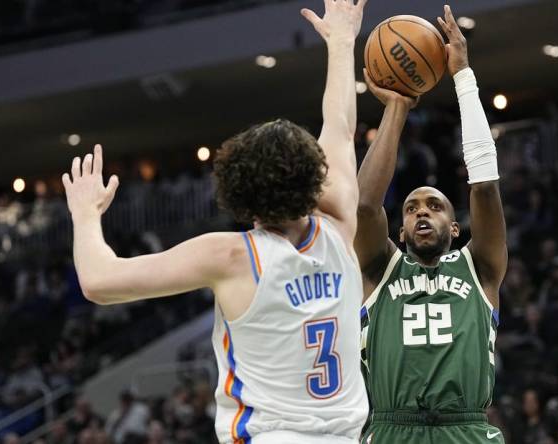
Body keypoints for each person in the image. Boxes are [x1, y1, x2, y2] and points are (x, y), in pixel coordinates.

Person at [60, 0, 369, 442]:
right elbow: (339, 126)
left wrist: (85, 216)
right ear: (314, 177)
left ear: (240, 194)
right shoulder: (339, 224)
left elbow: (99, 281)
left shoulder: (230, 256)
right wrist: (341, 45)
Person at [356, 5, 507, 443]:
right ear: (399, 233)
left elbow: (484, 188)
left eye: (436, 206)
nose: (422, 211)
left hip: (466, 430)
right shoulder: (379, 268)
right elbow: (366, 207)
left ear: (456, 228)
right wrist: (397, 108)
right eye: (411, 209)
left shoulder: (481, 269)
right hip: (391, 429)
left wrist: (463, 77)